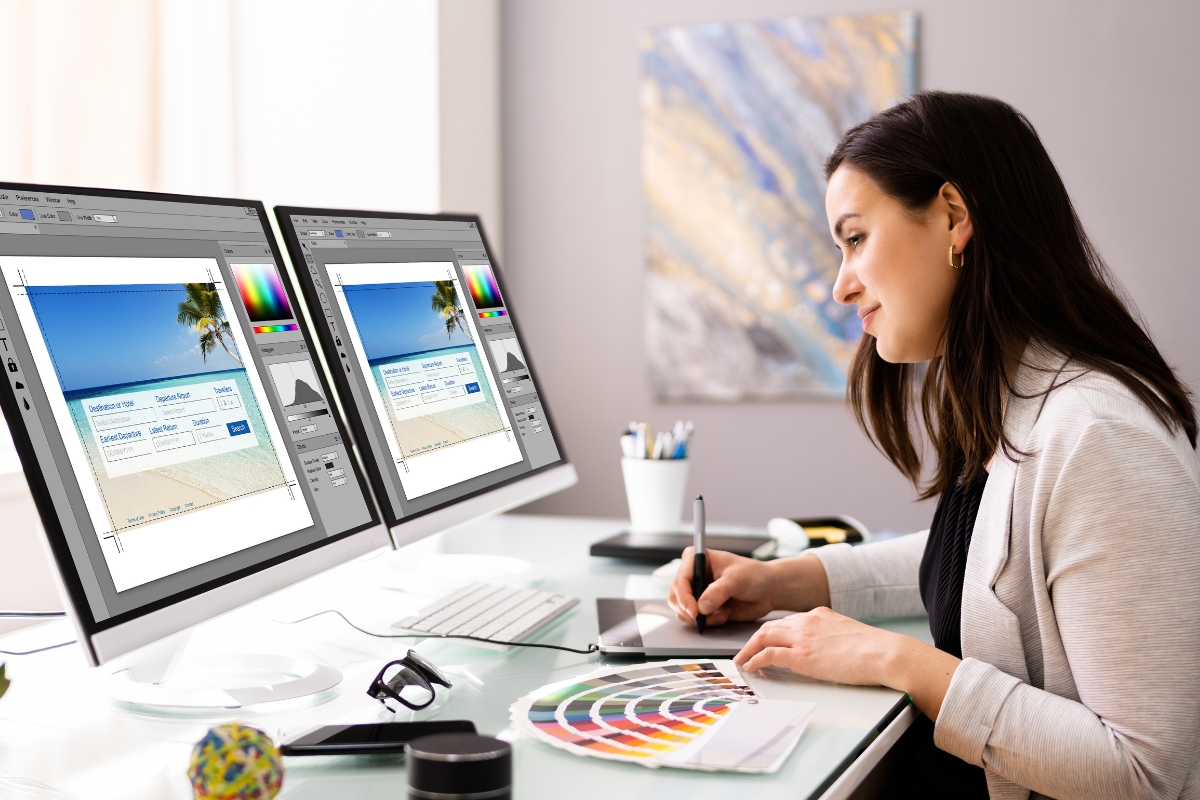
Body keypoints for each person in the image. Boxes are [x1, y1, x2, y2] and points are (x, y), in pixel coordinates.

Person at [669, 91, 1200, 800]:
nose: (840, 284)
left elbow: (1144, 772)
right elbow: (988, 566)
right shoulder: (1016, 399)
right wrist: (784, 582)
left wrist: (901, 663)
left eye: (855, 238)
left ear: (953, 216)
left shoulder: (1096, 437)